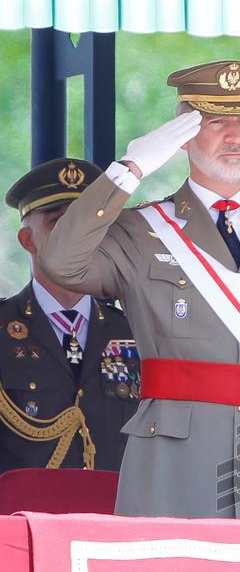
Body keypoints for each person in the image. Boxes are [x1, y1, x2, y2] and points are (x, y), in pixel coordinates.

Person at [41, 60, 240, 522]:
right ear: (182, 137)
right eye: (216, 121)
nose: (235, 135)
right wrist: (129, 169)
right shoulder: (140, 230)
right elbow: (59, 262)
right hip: (173, 471)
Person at [0, 158, 139, 472]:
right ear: (27, 240)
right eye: (59, 224)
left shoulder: (133, 330)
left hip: (113, 502)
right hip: (25, 503)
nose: (76, 236)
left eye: (87, 224)